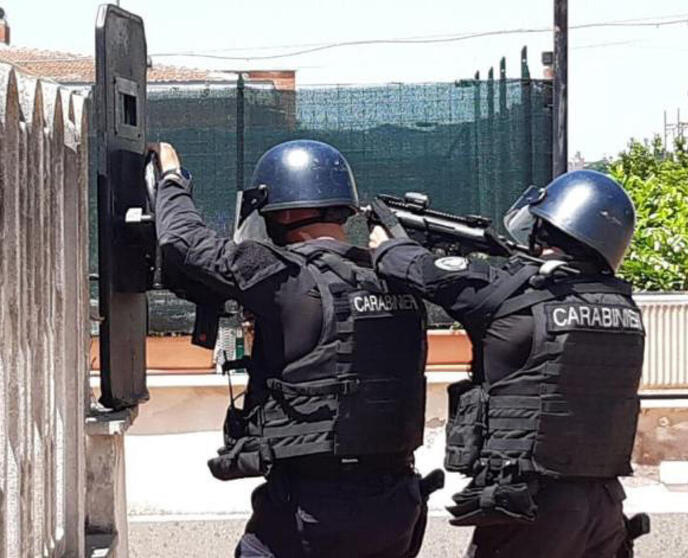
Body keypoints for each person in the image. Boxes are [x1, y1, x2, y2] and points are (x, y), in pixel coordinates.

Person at [150, 139, 440, 558]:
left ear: (283, 214)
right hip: (397, 506)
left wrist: (173, 178)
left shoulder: (284, 276)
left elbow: (184, 242)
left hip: (313, 509)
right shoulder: (396, 280)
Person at [369, 170, 646, 558]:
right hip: (604, 505)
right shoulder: (623, 308)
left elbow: (413, 268)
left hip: (531, 505)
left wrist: (386, 244)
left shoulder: (513, 294)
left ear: (547, 231)